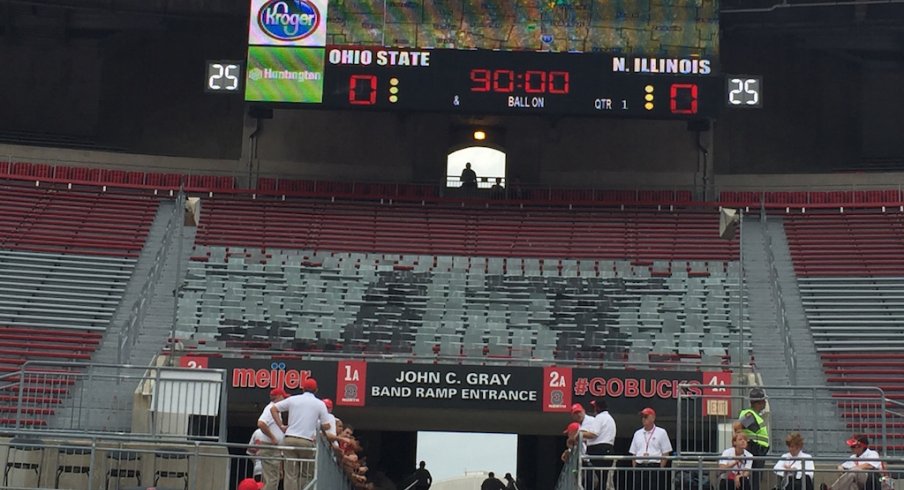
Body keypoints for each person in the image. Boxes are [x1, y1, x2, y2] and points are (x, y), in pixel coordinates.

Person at [270, 378, 331, 490]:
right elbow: (327, 426)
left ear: (302, 388)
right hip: (306, 441)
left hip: (290, 439)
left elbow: (273, 409)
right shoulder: (320, 404)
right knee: (306, 473)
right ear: (316, 390)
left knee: (290, 474)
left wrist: (282, 426)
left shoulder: (293, 399)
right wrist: (316, 424)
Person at [629, 407, 672, 490]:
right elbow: (634, 452)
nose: (643, 419)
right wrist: (635, 468)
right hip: (640, 466)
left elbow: (665, 453)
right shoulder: (637, 433)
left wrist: (660, 468)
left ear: (653, 418)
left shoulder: (661, 432)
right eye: (642, 417)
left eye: (645, 417)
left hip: (654, 466)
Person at [738, 388, 770, 490]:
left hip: (758, 450)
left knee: (755, 479)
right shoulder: (749, 414)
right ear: (758, 402)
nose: (765, 403)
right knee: (752, 480)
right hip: (753, 449)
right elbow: (738, 426)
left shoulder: (756, 415)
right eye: (763, 400)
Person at [257, 387, 288, 490]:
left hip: (272, 448)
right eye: (284, 397)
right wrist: (273, 438)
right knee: (272, 479)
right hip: (270, 447)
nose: (285, 400)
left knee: (272, 479)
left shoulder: (275, 410)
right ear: (279, 397)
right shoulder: (270, 408)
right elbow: (261, 423)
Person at [584, 399, 617, 490]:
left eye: (594, 407)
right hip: (607, 449)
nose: (593, 409)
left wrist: (579, 434)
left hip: (599, 450)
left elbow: (593, 433)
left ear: (598, 407)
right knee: (602, 479)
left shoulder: (600, 417)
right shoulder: (609, 418)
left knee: (595, 479)